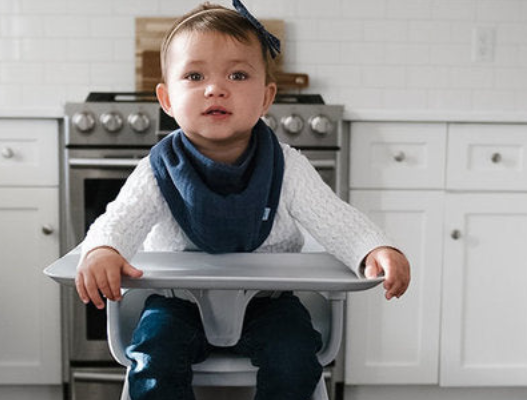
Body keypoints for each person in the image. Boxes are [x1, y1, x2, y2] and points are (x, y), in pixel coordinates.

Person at [74, 1, 411, 399]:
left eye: (237, 75)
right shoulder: (158, 169)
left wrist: (375, 247)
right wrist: (103, 250)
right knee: (153, 358)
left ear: (267, 97)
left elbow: (335, 218)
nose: (215, 88)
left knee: (296, 358)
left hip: (269, 302)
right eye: (195, 75)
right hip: (177, 302)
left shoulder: (286, 166)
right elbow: (120, 218)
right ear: (166, 99)